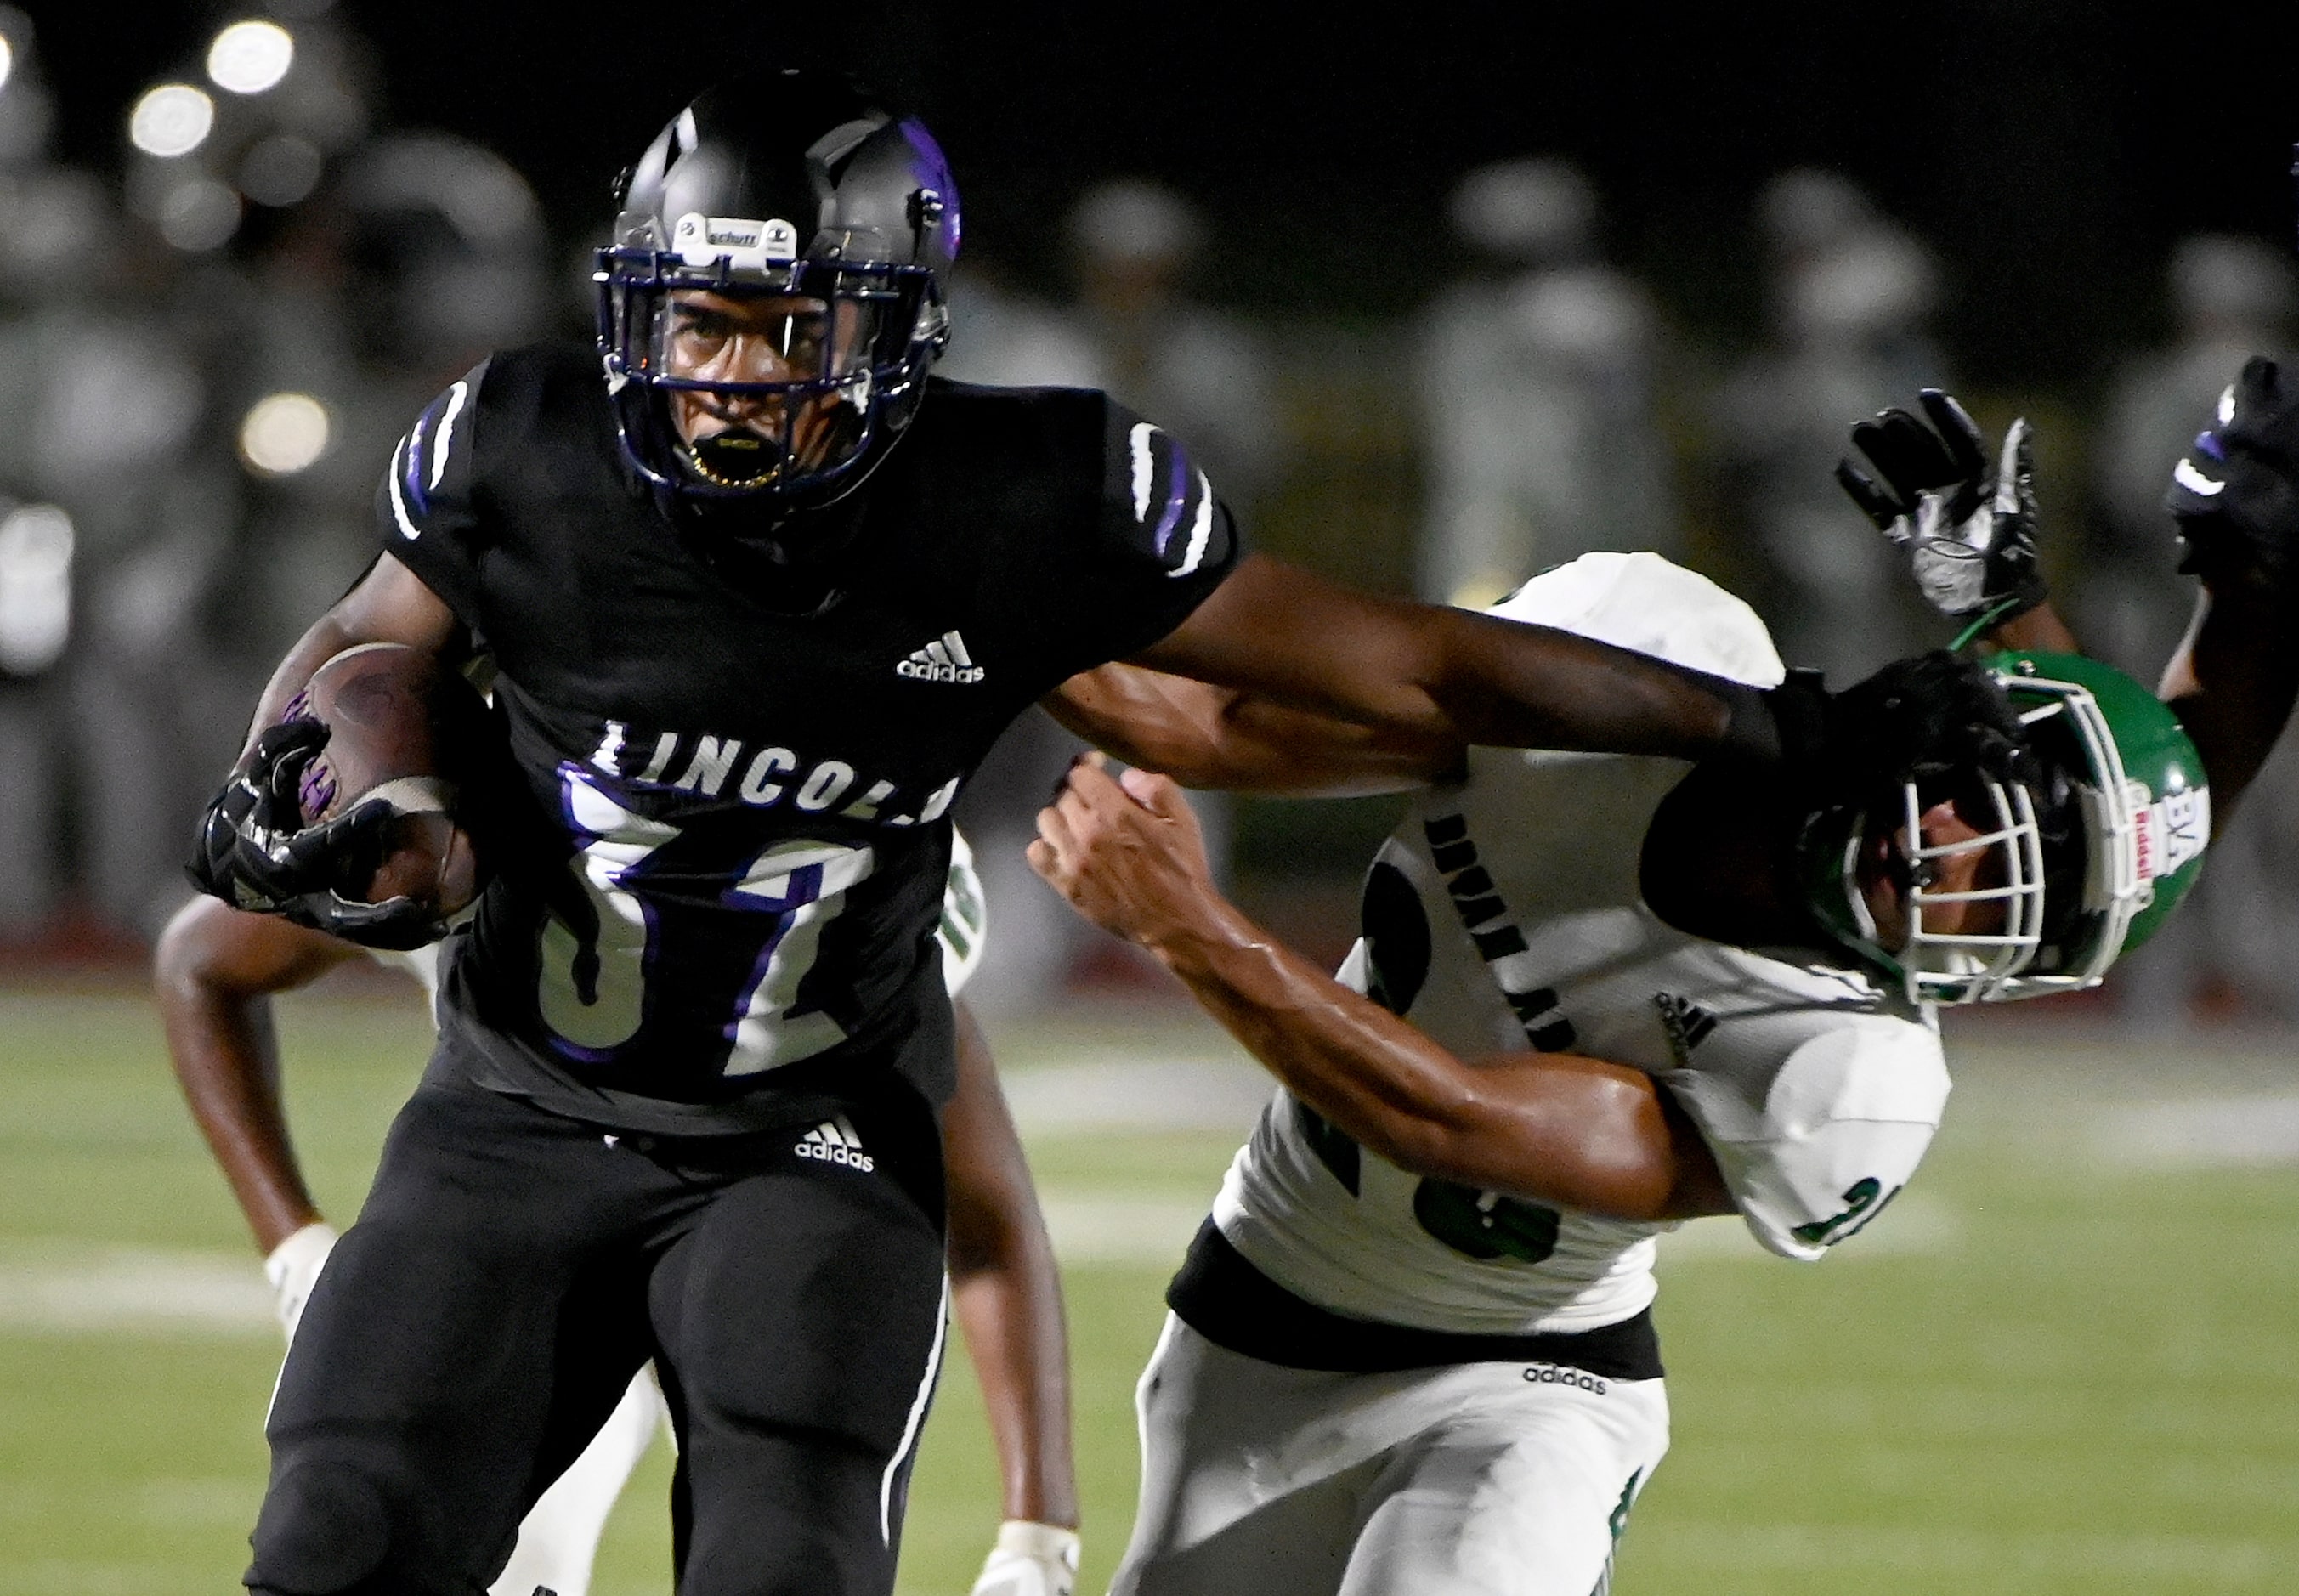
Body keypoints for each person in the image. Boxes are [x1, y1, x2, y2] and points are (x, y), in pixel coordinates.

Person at [184, 68, 2029, 1596]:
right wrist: (322, 781)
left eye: (776, 326)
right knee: (337, 1538)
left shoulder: (1034, 494)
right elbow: (363, 645)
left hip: (802, 1131)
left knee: (782, 1564)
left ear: (889, 333)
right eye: (695, 320)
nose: (729, 374)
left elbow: (1405, 660)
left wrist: (1773, 722)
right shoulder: (517, 437)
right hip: (511, 1105)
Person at [1022, 404, 2211, 1596]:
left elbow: (1450, 1123)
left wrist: (1192, 926)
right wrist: (951, 580)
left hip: (1527, 1378)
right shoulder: (1650, 653)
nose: (1950, 874)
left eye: (2006, 898)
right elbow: (1206, 719)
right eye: (1984, 822)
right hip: (1252, 1316)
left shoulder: (1848, 1079)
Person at [155, 833, 1079, 1596]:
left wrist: (1038, 1532)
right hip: (525, 1248)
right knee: (367, 1539)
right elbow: (201, 963)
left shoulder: (854, 830)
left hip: (772, 1236)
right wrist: (295, 1250)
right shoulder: (492, 817)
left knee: (784, 1553)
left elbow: (984, 1207)